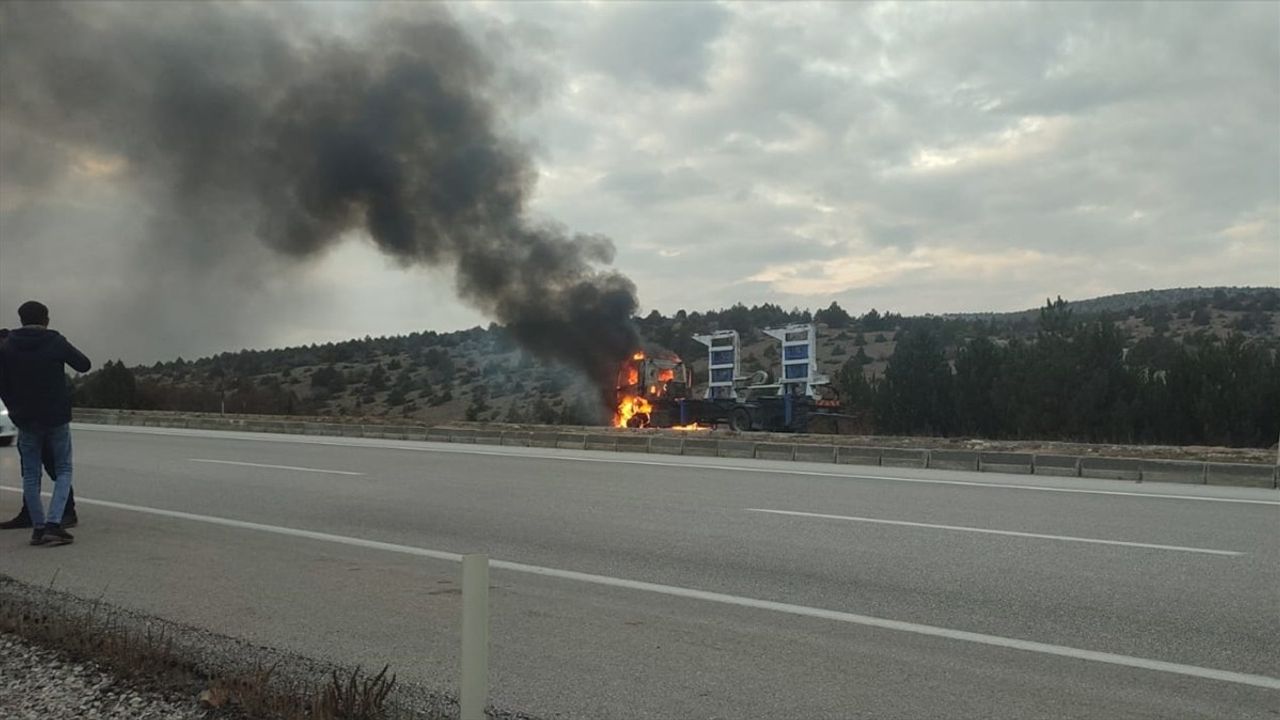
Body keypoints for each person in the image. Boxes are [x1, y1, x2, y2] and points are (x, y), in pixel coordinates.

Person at [0, 301, 92, 545]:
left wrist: (15, 410)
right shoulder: (55, 341)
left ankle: (38, 528)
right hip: (56, 416)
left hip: (26, 418)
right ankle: (55, 523)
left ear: (20, 319)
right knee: (63, 469)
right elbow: (84, 364)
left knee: (31, 475)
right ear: (46, 319)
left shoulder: (7, 346)